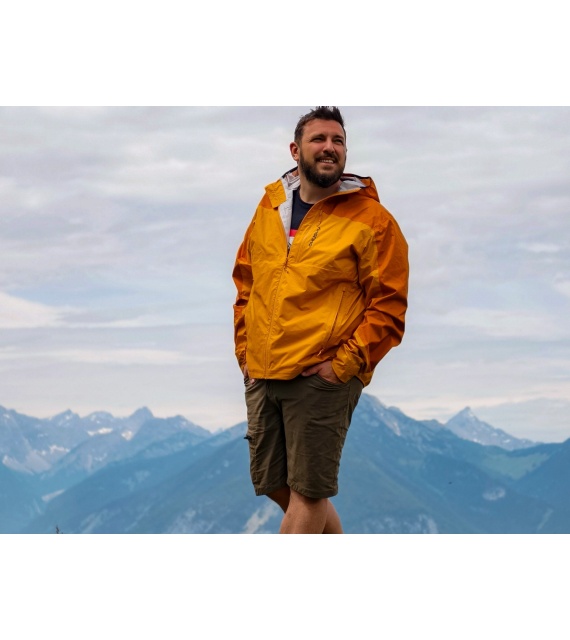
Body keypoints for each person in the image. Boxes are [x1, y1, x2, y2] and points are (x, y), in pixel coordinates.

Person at [232, 106, 409, 534]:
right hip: (264, 370)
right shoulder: (270, 207)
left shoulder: (372, 220)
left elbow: (389, 303)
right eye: (319, 139)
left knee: (309, 493)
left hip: (321, 373)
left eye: (338, 141)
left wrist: (342, 365)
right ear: (296, 150)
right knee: (275, 484)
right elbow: (246, 282)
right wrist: (245, 353)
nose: (330, 148)